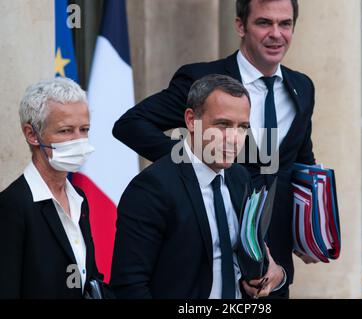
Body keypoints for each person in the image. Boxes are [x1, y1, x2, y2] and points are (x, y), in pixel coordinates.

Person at [112, 0, 316, 298]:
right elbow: (131, 124)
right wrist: (190, 165)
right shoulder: (201, 81)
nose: (276, 34)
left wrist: (310, 232)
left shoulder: (302, 87)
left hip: (270, 260)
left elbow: (300, 162)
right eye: (263, 23)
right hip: (199, 248)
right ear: (240, 26)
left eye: (285, 24)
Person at [110, 74, 285, 299]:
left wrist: (274, 274)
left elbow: (246, 257)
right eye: (223, 124)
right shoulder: (152, 188)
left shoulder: (239, 178)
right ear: (192, 120)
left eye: (243, 127)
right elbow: (129, 285)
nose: (234, 138)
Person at [0, 78, 101, 298]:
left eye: (84, 129)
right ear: (32, 134)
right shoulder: (13, 205)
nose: (79, 140)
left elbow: (88, 279)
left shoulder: (78, 198)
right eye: (65, 131)